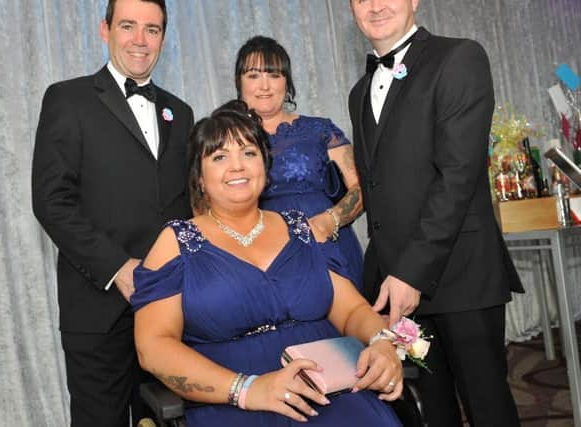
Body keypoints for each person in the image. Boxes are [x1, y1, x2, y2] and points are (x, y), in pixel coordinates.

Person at [131, 100, 403, 427]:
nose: (237, 166)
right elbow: (153, 346)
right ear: (200, 177)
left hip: (331, 392)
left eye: (248, 153)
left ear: (265, 165)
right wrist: (248, 389)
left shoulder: (302, 229)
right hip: (231, 401)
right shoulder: (175, 242)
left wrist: (382, 342)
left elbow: (352, 311)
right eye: (219, 157)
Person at [348, 1, 523, 426]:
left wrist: (411, 272)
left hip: (461, 280)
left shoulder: (460, 57)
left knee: (487, 407)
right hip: (404, 299)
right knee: (433, 406)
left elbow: (457, 178)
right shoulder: (359, 92)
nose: (373, 5)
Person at [32, 0, 194, 425]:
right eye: (128, 26)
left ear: (164, 37)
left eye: (152, 29)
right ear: (105, 30)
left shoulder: (182, 113)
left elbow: (185, 208)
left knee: (167, 418)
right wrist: (119, 268)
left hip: (167, 306)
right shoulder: (68, 99)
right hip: (97, 305)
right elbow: (51, 201)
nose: (140, 40)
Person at [233, 35, 365, 288]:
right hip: (264, 257)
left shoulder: (321, 130)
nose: (264, 86)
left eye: (274, 75)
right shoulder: (227, 140)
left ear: (287, 81)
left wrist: (331, 220)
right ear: (239, 82)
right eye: (253, 75)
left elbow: (360, 188)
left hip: (329, 247)